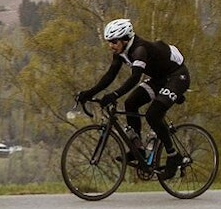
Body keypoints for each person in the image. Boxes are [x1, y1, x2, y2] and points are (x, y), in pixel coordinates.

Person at [75, 18, 191, 179]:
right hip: (160, 79)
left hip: (177, 77)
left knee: (153, 115)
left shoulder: (139, 50)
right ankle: (139, 150)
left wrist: (114, 94)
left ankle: (173, 156)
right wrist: (88, 93)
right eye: (109, 42)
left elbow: (135, 78)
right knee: (130, 103)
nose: (111, 46)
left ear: (125, 39)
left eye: (114, 41)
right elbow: (109, 76)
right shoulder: (121, 52)